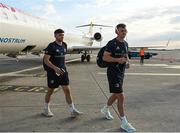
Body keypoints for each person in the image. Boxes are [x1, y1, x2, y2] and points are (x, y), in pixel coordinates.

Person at [101, 23, 136, 132]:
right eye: (121, 31)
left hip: (121, 72)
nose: (124, 32)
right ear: (117, 31)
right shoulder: (112, 43)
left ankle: (105, 109)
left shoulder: (125, 43)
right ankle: (124, 123)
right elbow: (105, 57)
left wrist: (128, 62)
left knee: (116, 94)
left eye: (125, 31)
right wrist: (117, 60)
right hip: (113, 72)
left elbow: (125, 55)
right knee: (121, 96)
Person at [42, 29, 83, 117]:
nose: (62, 36)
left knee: (67, 90)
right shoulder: (51, 46)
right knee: (50, 91)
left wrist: (64, 67)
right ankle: (46, 109)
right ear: (55, 36)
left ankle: (72, 110)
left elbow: (62, 58)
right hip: (53, 72)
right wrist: (55, 68)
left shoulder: (64, 45)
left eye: (63, 35)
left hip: (63, 72)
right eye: (60, 35)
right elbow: (46, 60)